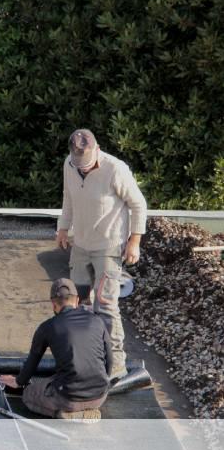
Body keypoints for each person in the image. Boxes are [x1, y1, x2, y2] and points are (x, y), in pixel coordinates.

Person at [56, 129, 147, 380]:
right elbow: (68, 198)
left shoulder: (115, 169)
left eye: (86, 165)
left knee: (105, 305)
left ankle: (116, 364)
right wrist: (63, 228)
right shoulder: (70, 164)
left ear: (97, 150)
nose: (83, 170)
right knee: (77, 301)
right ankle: (85, 355)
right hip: (81, 245)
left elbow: (138, 204)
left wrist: (134, 241)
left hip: (109, 245)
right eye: (79, 166)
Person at [0, 278, 112, 421]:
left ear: (53, 304)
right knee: (55, 378)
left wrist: (18, 382)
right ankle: (87, 407)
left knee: (29, 393)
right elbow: (110, 360)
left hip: (69, 399)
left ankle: (65, 413)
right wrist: (101, 384)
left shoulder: (47, 327)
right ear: (77, 300)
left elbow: (32, 362)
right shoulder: (97, 320)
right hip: (100, 396)